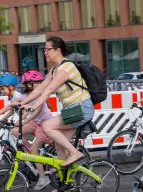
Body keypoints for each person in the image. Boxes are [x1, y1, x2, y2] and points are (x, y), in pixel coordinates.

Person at [19, 36, 93, 176]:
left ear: (58, 50)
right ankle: (64, 181)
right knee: (59, 143)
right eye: (44, 50)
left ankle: (75, 153)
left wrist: (34, 107)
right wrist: (22, 103)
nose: (45, 52)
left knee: (48, 126)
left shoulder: (66, 67)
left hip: (81, 108)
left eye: (48, 49)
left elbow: (49, 90)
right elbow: (40, 89)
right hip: (72, 111)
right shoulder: (54, 70)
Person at [0, 72, 54, 191]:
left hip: (45, 124)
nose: (41, 85)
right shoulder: (24, 96)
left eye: (40, 83)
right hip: (35, 123)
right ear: (30, 85)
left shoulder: (40, 96)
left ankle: (43, 177)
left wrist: (22, 121)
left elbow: (35, 112)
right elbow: (11, 106)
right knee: (14, 132)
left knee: (34, 148)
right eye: (38, 83)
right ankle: (33, 153)